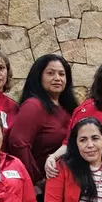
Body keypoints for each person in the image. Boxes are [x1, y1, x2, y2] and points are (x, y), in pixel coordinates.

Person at [44, 59, 102, 177]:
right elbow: (70, 143)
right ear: (100, 82)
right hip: (97, 180)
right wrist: (53, 158)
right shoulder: (88, 110)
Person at [8, 54, 78, 191]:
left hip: (66, 183)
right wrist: (36, 179)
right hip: (41, 187)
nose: (57, 78)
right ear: (39, 76)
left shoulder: (68, 108)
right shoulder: (33, 106)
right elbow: (18, 142)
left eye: (62, 74)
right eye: (50, 73)